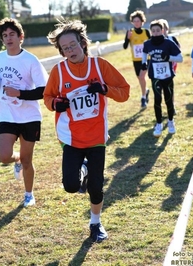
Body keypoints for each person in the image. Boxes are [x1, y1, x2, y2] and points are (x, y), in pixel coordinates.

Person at [44, 19, 130, 243]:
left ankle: (95, 223)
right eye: (65, 48)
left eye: (72, 45)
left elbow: (124, 92)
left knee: (96, 186)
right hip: (70, 136)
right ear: (61, 51)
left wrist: (104, 89)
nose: (70, 51)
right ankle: (82, 169)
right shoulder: (59, 71)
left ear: (82, 43)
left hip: (96, 137)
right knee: (71, 186)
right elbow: (48, 97)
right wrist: (56, 104)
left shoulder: (99, 66)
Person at [0, 18, 49, 207]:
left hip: (29, 117)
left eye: (12, 34)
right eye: (4, 35)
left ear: (21, 37)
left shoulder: (31, 60)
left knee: (28, 159)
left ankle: (29, 194)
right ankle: (17, 161)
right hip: (7, 114)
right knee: (4, 156)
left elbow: (43, 90)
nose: (8, 38)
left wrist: (20, 94)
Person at [141, 20, 183, 137]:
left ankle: (170, 121)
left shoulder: (169, 43)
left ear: (162, 31)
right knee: (157, 98)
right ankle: (158, 124)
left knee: (168, 99)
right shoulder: (147, 43)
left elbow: (180, 58)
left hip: (168, 76)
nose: (155, 33)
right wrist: (144, 62)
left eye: (158, 30)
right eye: (153, 31)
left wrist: (168, 57)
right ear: (151, 32)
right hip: (155, 76)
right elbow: (144, 53)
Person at [123, 10, 150, 108]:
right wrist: (127, 38)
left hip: (146, 59)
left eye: (138, 21)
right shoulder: (130, 32)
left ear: (142, 21)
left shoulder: (146, 32)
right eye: (134, 21)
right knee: (140, 78)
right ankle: (146, 91)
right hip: (136, 60)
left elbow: (151, 44)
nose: (136, 23)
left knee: (142, 77)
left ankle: (143, 98)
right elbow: (125, 46)